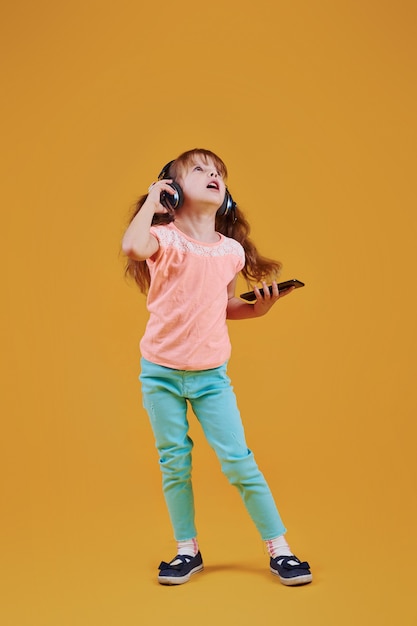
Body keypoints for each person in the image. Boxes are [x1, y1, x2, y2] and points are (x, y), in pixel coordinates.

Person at [122, 148, 312, 587]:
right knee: (174, 462)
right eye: (199, 170)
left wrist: (259, 311)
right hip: (160, 373)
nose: (213, 175)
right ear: (172, 189)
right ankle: (186, 551)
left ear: (224, 194)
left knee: (239, 462)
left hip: (211, 377)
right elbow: (132, 246)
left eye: (219, 172)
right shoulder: (162, 237)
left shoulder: (230, 252)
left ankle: (279, 549)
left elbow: (223, 307)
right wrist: (153, 201)